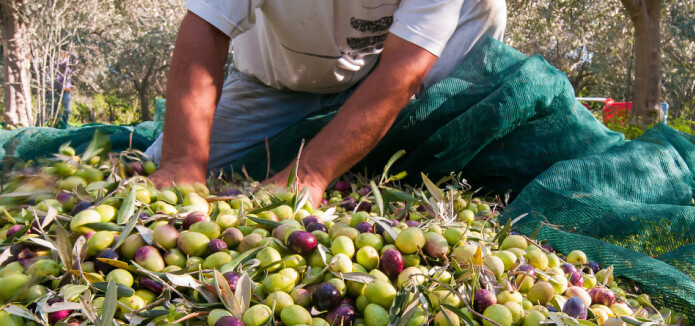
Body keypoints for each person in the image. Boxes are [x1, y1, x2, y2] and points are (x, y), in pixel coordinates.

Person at [146, 0, 507, 206]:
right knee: (156, 166)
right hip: (274, 87)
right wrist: (182, 160)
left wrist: (309, 174)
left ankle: (423, 133)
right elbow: (206, 25)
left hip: (374, 78)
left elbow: (402, 70)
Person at [48, 47, 77, 126]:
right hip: (55, 89)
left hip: (66, 89)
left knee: (68, 110)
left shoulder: (69, 66)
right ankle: (57, 122)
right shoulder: (55, 64)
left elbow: (75, 62)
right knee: (54, 109)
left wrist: (72, 51)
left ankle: (65, 123)